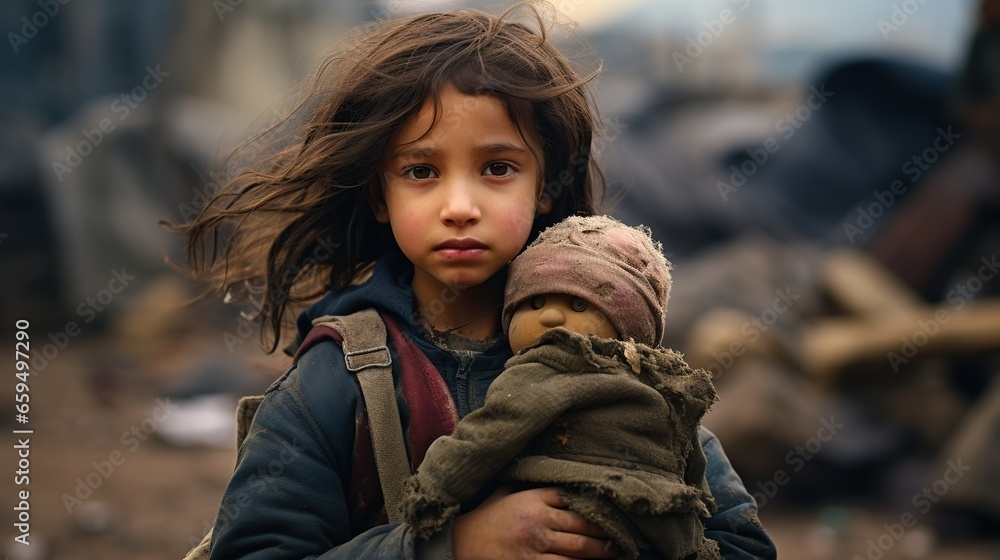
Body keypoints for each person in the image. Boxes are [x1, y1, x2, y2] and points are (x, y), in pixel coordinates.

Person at [174, 3, 777, 559]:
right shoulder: (337, 384)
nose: (459, 204)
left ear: (543, 185)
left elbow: (741, 543)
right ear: (379, 196)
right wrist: (454, 546)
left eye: (497, 168)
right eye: (421, 170)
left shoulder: (616, 363)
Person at [405, 215, 721, 560]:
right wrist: (698, 504)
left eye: (578, 305)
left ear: (630, 323)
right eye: (536, 303)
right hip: (665, 521)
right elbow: (688, 455)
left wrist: (432, 490)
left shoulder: (551, 365)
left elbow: (489, 435)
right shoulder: (664, 381)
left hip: (573, 506)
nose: (551, 319)